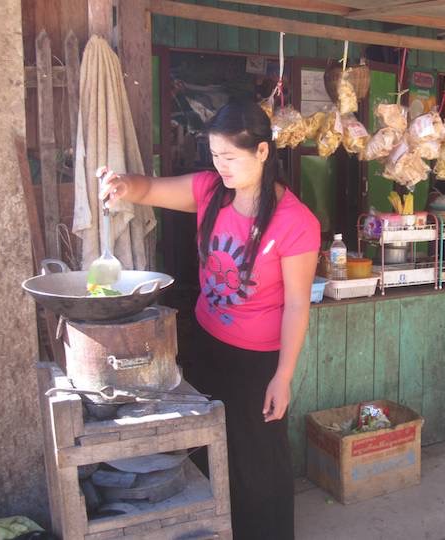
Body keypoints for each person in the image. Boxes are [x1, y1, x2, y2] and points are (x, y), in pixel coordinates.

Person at [98, 100, 321, 539]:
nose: (222, 167)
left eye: (231, 158)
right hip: (205, 343)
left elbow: (297, 304)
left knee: (256, 460)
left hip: (256, 360)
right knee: (205, 448)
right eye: (216, 157)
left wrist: (283, 376)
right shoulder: (209, 192)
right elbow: (148, 189)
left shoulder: (295, 222)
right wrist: (122, 184)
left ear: (262, 152)